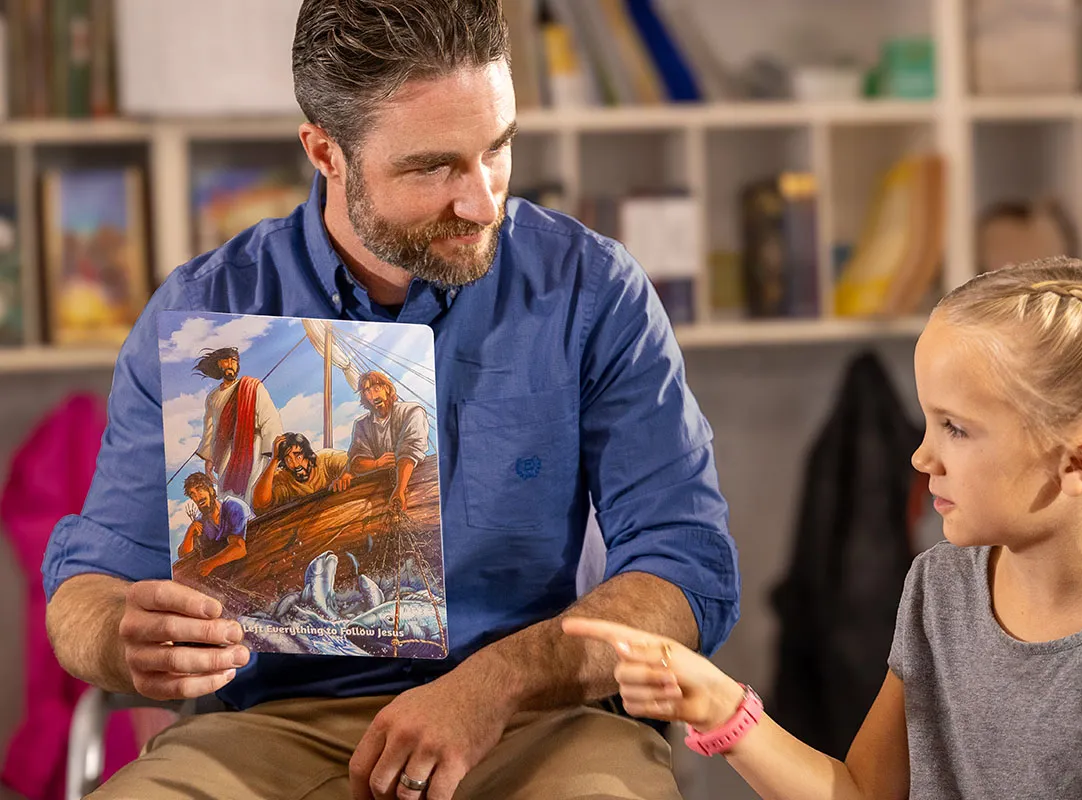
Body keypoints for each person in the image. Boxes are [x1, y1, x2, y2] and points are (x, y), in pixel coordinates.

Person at [41, 2, 739, 799]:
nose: (482, 201)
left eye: (498, 149)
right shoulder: (202, 315)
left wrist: (498, 683)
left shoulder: (592, 292)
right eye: (433, 167)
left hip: (539, 722)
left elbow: (689, 572)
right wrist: (122, 639)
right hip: (270, 730)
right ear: (324, 151)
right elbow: (89, 585)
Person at [566, 258, 1082, 799]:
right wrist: (719, 703)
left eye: (957, 429)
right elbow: (861, 793)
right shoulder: (941, 588)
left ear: (1079, 464)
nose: (920, 455)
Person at [193, 346, 284, 502]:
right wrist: (209, 458)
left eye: (234, 361)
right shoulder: (213, 397)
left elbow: (269, 417)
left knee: (252, 489)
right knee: (227, 495)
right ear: (218, 365)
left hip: (253, 446)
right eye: (226, 360)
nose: (230, 364)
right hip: (226, 452)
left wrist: (274, 452)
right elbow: (210, 429)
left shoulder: (252, 386)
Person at [342, 370, 431, 511]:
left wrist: (400, 489)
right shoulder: (362, 424)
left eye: (377, 389)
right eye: (368, 392)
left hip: (416, 484)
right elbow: (357, 461)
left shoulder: (412, 411)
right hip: (377, 493)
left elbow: (409, 452)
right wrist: (376, 464)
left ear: (387, 389)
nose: (374, 396)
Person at [250, 432, 351, 514]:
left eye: (298, 457)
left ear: (307, 454)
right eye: (288, 460)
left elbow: (354, 464)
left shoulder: (326, 459)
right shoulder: (284, 477)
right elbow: (259, 505)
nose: (295, 464)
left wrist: (346, 475)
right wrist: (274, 460)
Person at [178, 472, 251, 578]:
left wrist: (210, 564)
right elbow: (184, 556)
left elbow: (239, 548)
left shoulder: (233, 506)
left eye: (199, 489)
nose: (197, 497)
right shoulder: (202, 521)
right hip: (235, 573)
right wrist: (190, 531)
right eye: (192, 494)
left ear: (211, 490)